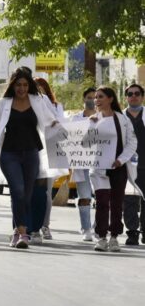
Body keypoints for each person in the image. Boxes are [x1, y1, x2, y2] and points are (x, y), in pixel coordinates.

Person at [0, 68, 58, 249]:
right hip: (9, 154)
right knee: (17, 190)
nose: (22, 88)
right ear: (13, 85)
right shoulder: (5, 102)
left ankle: (16, 231)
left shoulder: (37, 100)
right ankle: (23, 233)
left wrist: (64, 126)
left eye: (25, 85)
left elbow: (50, 120)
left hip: (31, 153)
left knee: (26, 195)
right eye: (18, 85)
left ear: (30, 86)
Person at [89, 87, 139, 252]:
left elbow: (132, 142)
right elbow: (83, 144)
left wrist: (121, 160)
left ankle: (114, 237)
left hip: (118, 168)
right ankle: (101, 237)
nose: (97, 100)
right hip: (98, 169)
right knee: (102, 202)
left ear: (110, 99)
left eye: (101, 97)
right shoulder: (92, 120)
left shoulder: (122, 120)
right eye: (95, 97)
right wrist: (90, 127)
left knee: (117, 203)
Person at [33, 77, 65, 242]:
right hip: (34, 150)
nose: (38, 90)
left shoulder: (55, 106)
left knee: (46, 192)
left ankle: (45, 225)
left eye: (40, 88)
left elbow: (62, 125)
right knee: (32, 191)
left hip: (50, 151)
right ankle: (32, 226)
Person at [69, 87, 97, 242]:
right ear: (84, 99)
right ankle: (86, 228)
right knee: (84, 197)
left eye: (95, 97)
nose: (92, 100)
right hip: (81, 163)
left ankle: (98, 227)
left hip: (99, 163)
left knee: (101, 196)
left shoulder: (104, 118)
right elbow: (70, 141)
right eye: (89, 97)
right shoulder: (75, 119)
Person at [122, 84, 145, 246]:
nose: (134, 96)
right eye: (130, 94)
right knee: (129, 200)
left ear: (142, 96)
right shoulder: (120, 117)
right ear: (126, 97)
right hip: (127, 166)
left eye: (137, 93)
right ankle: (132, 233)